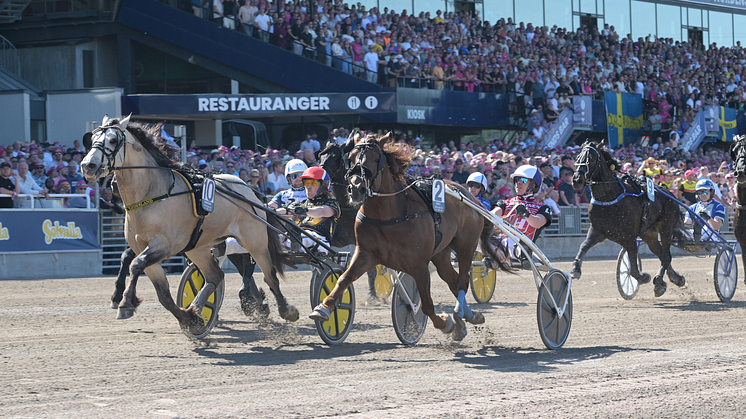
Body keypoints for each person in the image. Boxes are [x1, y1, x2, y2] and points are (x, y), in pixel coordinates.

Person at [490, 165, 552, 269]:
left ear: (533, 184)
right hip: (499, 244)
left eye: (523, 180)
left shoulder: (542, 207)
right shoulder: (505, 203)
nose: (518, 183)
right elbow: (492, 215)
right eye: (516, 179)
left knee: (518, 244)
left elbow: (538, 223)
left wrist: (527, 214)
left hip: (520, 247)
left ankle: (521, 255)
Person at [685, 179, 725, 243]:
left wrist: (708, 218)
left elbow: (717, 227)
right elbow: (687, 224)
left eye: (706, 192)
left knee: (706, 228)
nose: (703, 194)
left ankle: (697, 233)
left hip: (712, 234)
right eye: (700, 192)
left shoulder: (718, 206)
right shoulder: (692, 207)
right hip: (694, 232)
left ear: (711, 192)